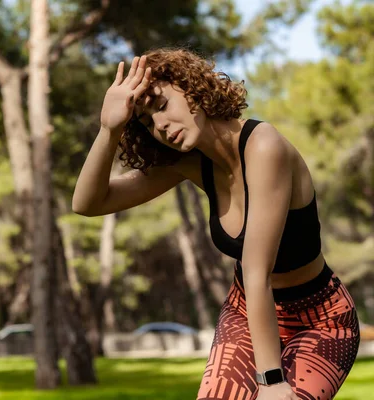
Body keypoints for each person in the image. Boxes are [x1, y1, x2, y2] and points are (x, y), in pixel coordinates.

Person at [72, 48, 360, 400]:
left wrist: (270, 382)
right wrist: (109, 129)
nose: (160, 126)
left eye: (162, 106)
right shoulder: (189, 164)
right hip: (245, 311)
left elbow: (257, 272)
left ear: (193, 89)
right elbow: (87, 203)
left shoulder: (265, 146)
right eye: (147, 122)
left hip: (321, 319)